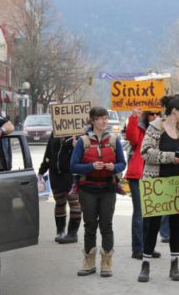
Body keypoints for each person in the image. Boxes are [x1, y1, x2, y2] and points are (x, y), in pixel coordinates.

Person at [137, 94, 179, 283]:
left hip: (177, 182)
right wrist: (171, 157)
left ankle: (174, 264)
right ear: (175, 111)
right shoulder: (155, 127)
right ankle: (145, 264)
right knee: (152, 224)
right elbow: (145, 152)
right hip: (157, 181)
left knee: (176, 225)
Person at [70, 107, 126, 278]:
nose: (104, 121)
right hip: (88, 189)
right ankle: (88, 261)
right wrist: (90, 167)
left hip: (108, 187)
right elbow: (73, 166)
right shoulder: (83, 141)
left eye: (106, 118)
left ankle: (107, 262)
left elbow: (122, 163)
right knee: (89, 226)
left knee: (106, 225)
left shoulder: (114, 139)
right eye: (100, 118)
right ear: (92, 120)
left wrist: (113, 167)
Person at [125, 108, 161, 260]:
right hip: (138, 175)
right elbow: (131, 137)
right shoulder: (140, 130)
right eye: (151, 113)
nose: (154, 116)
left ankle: (148, 247)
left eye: (157, 113)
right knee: (140, 212)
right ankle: (138, 249)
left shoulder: (163, 131)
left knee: (152, 213)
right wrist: (134, 117)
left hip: (156, 175)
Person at [39, 133, 81, 244]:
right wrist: (42, 171)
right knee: (59, 202)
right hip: (55, 173)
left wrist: (77, 146)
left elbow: (85, 154)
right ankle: (60, 232)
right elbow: (48, 152)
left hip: (71, 173)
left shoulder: (78, 132)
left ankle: (72, 233)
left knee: (74, 201)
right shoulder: (55, 132)